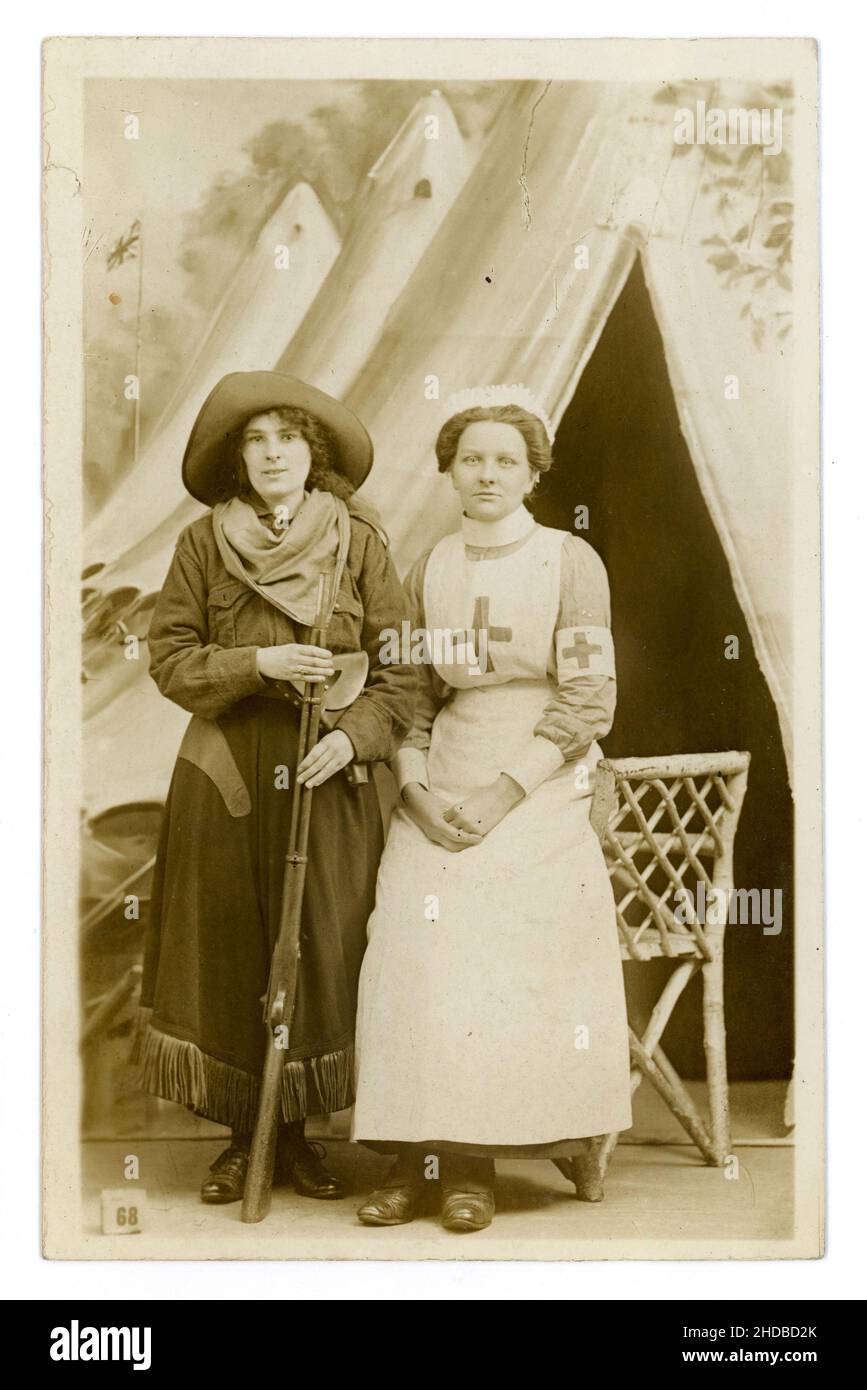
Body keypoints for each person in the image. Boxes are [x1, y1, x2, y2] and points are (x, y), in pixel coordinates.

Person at [352, 386, 632, 1232]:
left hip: (541, 776)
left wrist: (504, 793)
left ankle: (476, 1168)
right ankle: (415, 1155)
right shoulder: (427, 566)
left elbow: (588, 700)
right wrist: (415, 791)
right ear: (448, 470)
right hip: (440, 772)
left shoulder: (568, 560)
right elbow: (408, 693)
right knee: (406, 936)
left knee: (493, 950)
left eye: (504, 459)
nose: (486, 474)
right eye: (470, 458)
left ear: (532, 473)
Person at [136, 371, 416, 1205]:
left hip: (328, 770)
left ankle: (298, 1137)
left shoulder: (360, 539)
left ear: (312, 453)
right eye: (255, 441)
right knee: (233, 946)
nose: (271, 455)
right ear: (237, 458)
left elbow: (403, 672)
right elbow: (170, 660)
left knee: (320, 944)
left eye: (287, 439)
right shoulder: (202, 543)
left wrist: (351, 738)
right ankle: (243, 1141)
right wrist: (256, 663)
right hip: (228, 770)